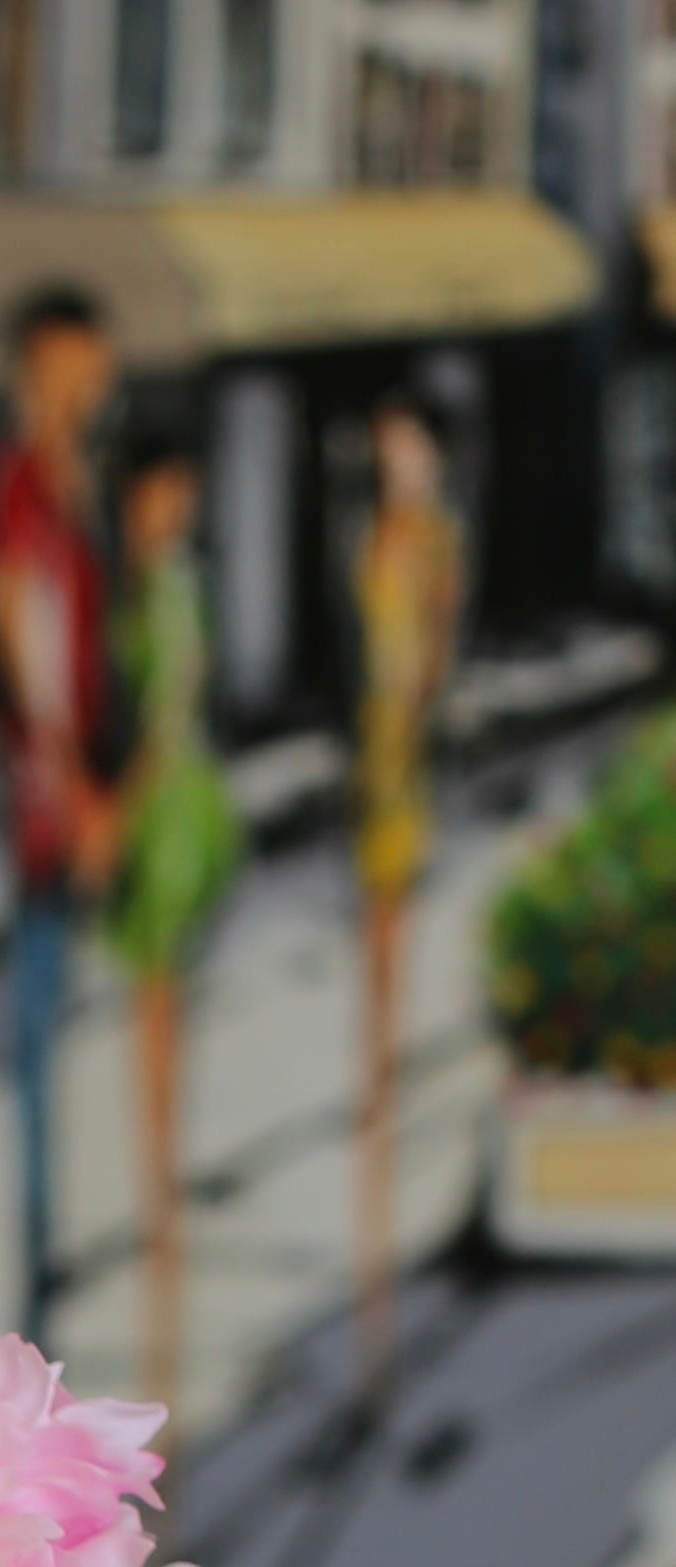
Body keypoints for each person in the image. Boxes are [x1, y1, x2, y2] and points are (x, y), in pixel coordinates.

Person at [0, 281, 122, 1340]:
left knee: (58, 993)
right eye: (76, 361)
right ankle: (38, 1237)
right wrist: (70, 780)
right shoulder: (24, 482)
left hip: (67, 773)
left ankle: (56, 1220)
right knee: (37, 1003)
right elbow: (27, 633)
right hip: (44, 782)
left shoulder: (71, 481)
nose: (91, 381)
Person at [103, 429, 244, 1426]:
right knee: (150, 983)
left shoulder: (172, 588)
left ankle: (166, 1160)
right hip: (158, 800)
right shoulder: (135, 594)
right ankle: (156, 1164)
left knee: (169, 982)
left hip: (179, 800)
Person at [353, 392, 462, 1380]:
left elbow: (429, 653)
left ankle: (388, 1073)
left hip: (399, 754)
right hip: (372, 750)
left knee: (392, 920)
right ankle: (377, 1072)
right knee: (371, 924)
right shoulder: (377, 534)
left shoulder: (429, 542)